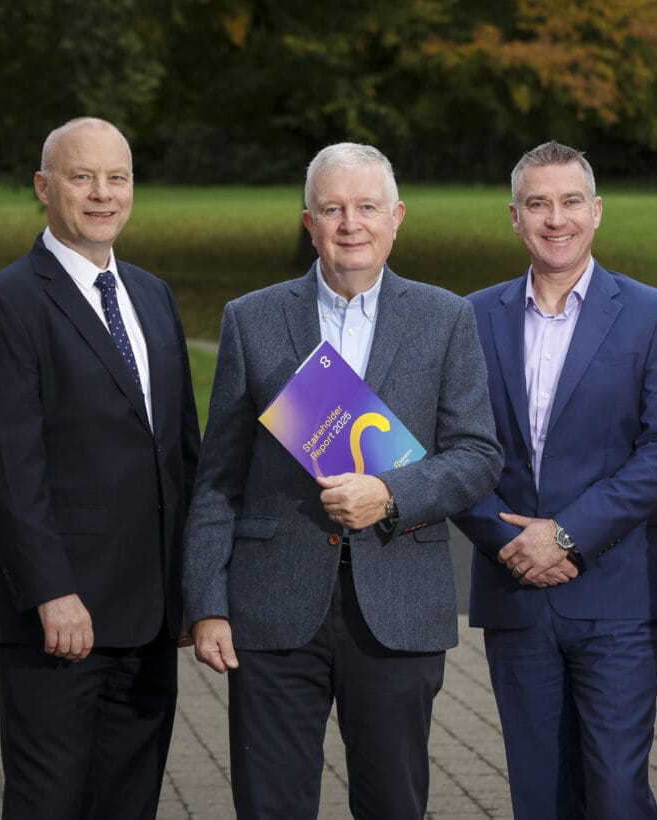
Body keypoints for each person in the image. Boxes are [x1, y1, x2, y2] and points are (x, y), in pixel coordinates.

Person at [182, 142, 503, 819]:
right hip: (272, 605)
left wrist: (390, 494)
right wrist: (207, 603)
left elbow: (477, 455)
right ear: (309, 222)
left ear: (397, 217)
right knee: (270, 806)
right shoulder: (252, 318)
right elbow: (218, 478)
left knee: (393, 804)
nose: (351, 224)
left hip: (398, 605)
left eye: (367, 207)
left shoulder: (446, 317)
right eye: (332, 209)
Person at [0, 117, 201, 818]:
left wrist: (193, 585)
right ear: (43, 186)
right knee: (49, 802)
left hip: (151, 615)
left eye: (117, 177)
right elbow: (9, 472)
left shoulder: (152, 295)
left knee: (129, 802)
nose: (102, 194)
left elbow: (181, 455)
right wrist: (52, 591)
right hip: (59, 618)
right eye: (81, 177)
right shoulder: (4, 304)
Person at [451, 140, 657, 819]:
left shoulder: (650, 313)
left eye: (570, 201)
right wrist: (508, 542)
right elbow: (453, 449)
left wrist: (564, 535)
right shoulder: (471, 317)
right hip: (515, 590)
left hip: (617, 594)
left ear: (597, 211)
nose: (555, 218)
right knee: (540, 795)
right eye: (538, 203)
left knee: (616, 791)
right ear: (515, 217)